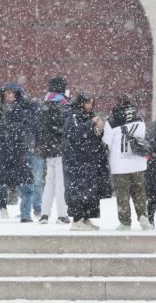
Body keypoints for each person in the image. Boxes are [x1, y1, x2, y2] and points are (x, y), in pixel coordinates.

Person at [0, 82, 35, 223]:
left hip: (19, 152)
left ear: (17, 94)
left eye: (11, 93)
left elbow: (30, 127)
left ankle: (25, 215)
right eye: (6, 94)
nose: (8, 96)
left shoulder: (25, 109)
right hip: (3, 152)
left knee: (27, 186)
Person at [61, 92, 112, 230]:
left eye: (91, 103)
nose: (90, 105)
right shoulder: (73, 116)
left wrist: (99, 129)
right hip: (77, 161)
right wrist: (92, 123)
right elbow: (76, 134)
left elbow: (92, 135)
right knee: (79, 190)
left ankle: (86, 218)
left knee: (91, 191)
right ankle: (77, 220)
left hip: (91, 159)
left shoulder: (90, 115)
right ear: (81, 103)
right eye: (88, 102)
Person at [102, 94, 153, 230]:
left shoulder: (111, 121)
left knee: (122, 194)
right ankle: (143, 216)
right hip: (138, 162)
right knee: (139, 191)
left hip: (120, 164)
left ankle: (125, 222)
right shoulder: (139, 118)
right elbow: (141, 137)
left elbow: (107, 142)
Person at [36, 77, 70, 224]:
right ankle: (62, 215)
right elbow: (64, 128)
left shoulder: (44, 104)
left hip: (48, 150)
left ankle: (44, 214)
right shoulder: (62, 105)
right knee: (61, 183)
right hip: (61, 149)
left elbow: (40, 128)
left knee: (49, 182)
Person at [146, 120, 156, 226]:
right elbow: (149, 141)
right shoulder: (154, 125)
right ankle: (150, 218)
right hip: (154, 162)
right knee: (153, 195)